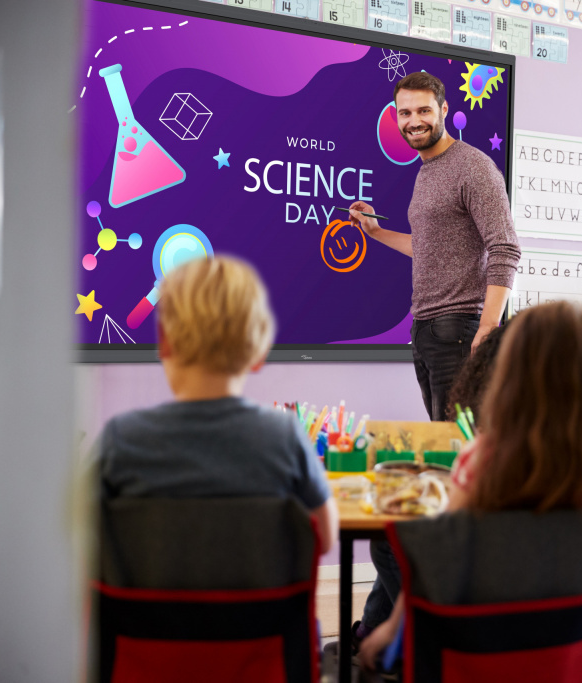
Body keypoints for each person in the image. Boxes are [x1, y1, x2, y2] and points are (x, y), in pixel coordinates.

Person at [358, 302, 582, 670]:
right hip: (571, 664)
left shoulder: (481, 460)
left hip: (481, 658)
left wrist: (392, 629)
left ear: (510, 377)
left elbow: (435, 559)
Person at [95, 256, 338, 556]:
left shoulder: (121, 440)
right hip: (256, 605)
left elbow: (77, 547)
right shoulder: (285, 438)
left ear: (164, 342)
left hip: (154, 604)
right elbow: (324, 539)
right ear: (259, 353)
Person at [346, 71, 521, 422]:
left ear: (443, 109)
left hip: (459, 331)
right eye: (405, 113)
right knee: (444, 443)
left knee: (458, 447)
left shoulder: (473, 167)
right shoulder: (427, 170)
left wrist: (488, 328)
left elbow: (505, 248)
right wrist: (376, 232)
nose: (414, 121)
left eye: (424, 111)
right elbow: (430, 247)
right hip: (426, 330)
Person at [351, 323, 511, 653]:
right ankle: (376, 629)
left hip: (473, 630)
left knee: (391, 542)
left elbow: (437, 551)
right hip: (561, 642)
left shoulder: (481, 460)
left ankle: (411, 639)